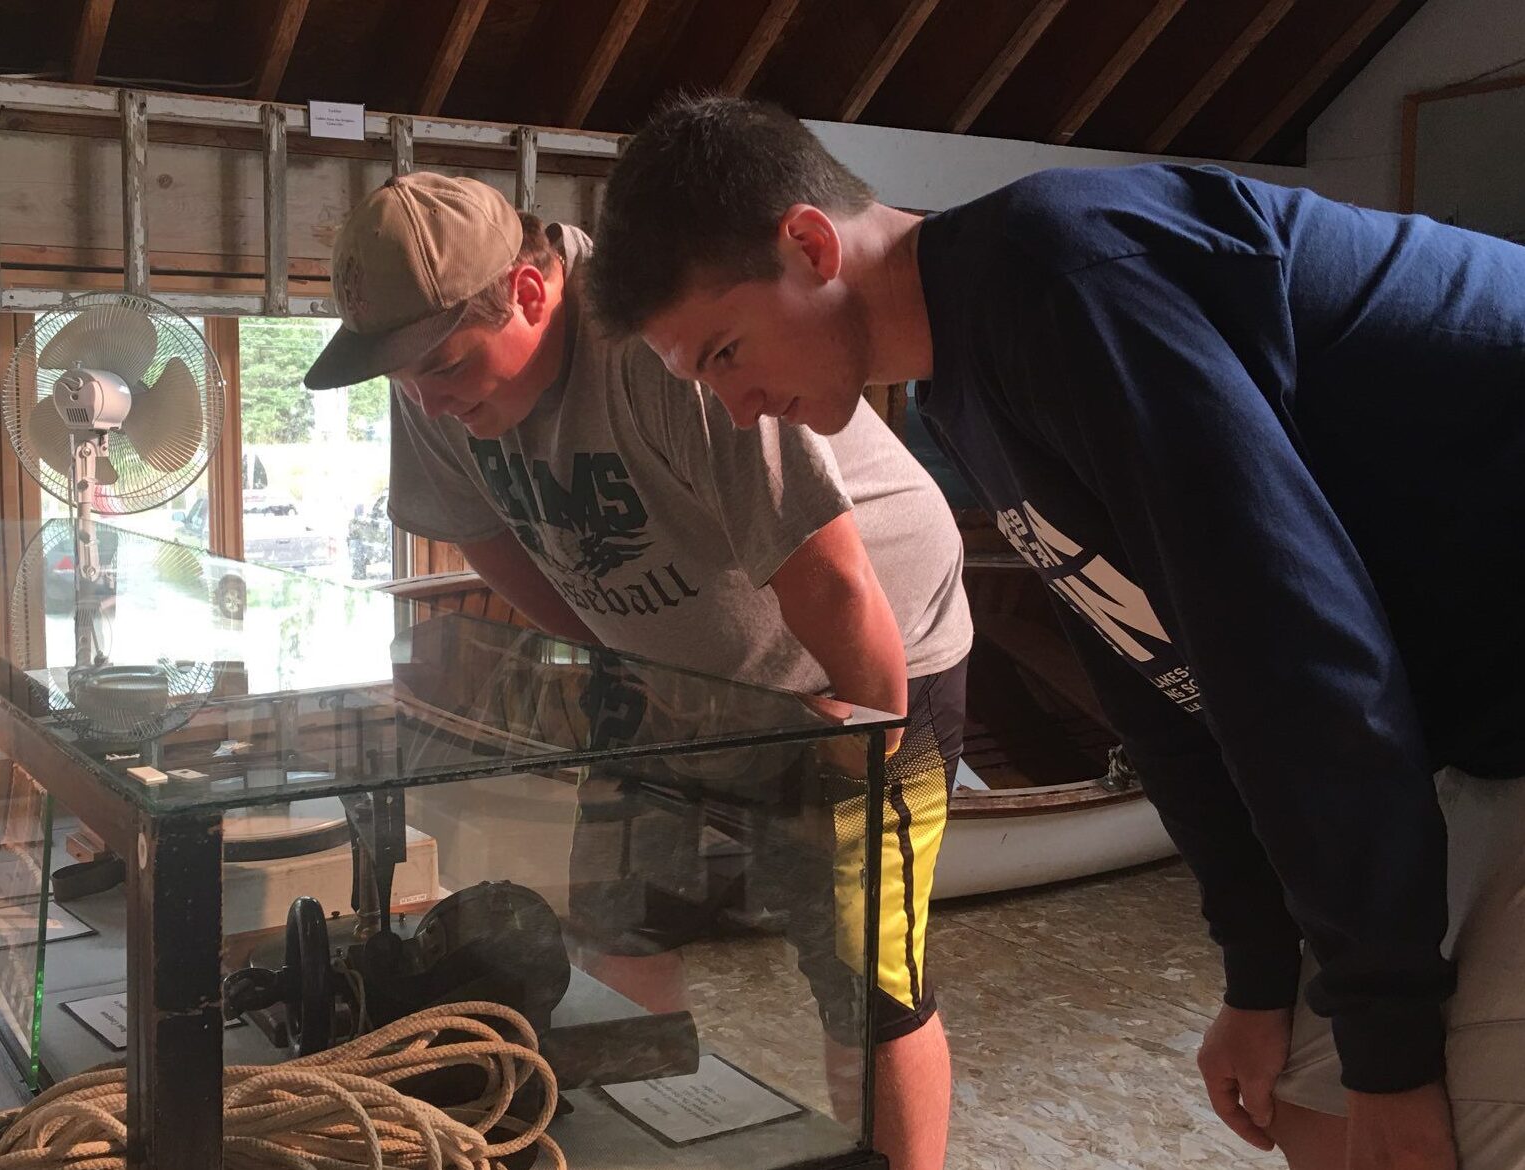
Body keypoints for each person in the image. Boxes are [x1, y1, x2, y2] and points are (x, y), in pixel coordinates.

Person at [585, 95, 1525, 1170]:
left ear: (809, 244)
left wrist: (1394, 1059)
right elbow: (1160, 682)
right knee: (1317, 1104)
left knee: (1460, 1124)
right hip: (1462, 709)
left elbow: (1298, 656)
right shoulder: (961, 389)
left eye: (723, 353)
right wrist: (1260, 981)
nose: (737, 405)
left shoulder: (1059, 279)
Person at [302, 171, 974, 1170]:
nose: (429, 401)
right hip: (679, 662)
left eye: (442, 366)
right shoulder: (431, 380)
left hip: (868, 646)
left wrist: (858, 754)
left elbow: (837, 585)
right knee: (617, 925)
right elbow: (480, 535)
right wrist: (617, 658)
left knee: (864, 975)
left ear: (529, 295)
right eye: (403, 376)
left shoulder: (659, 348)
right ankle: (633, 1151)